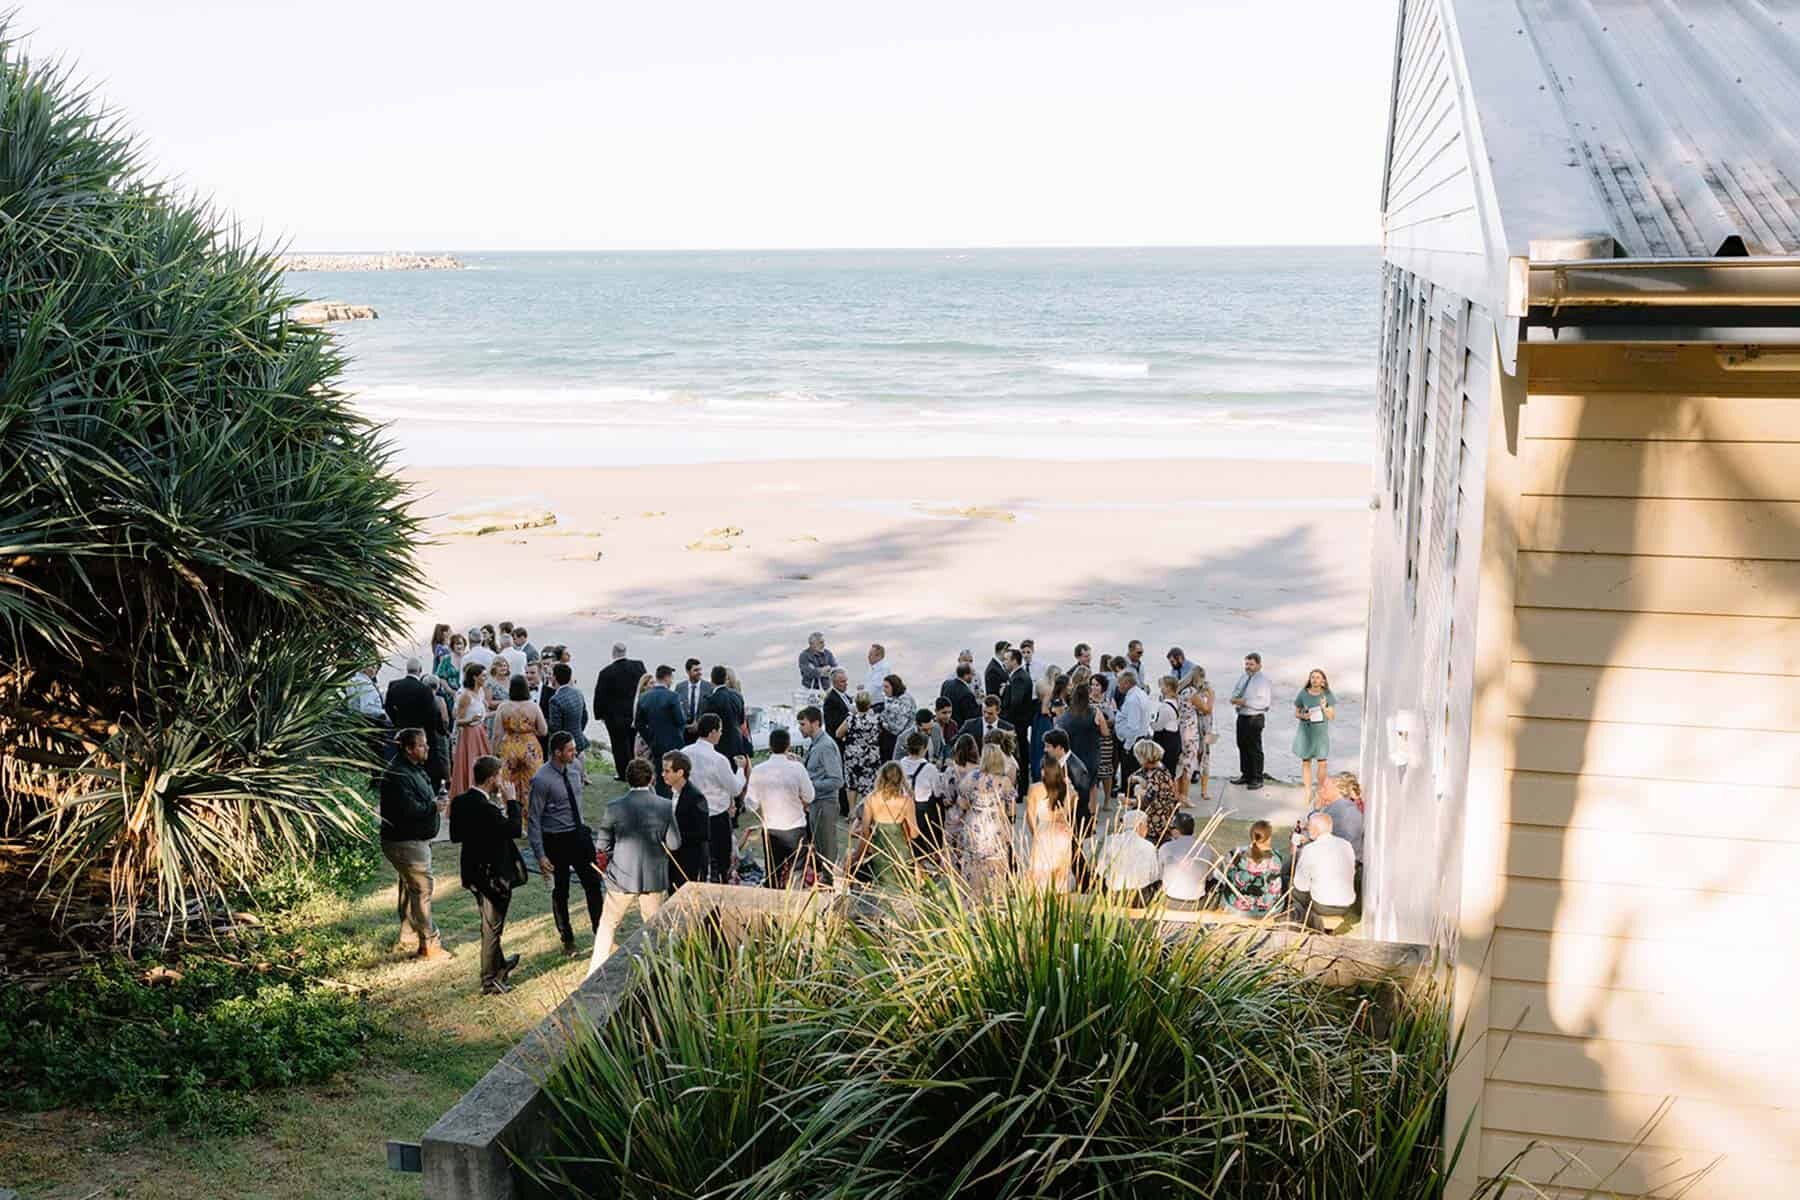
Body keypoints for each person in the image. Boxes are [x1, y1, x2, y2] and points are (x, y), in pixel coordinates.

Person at [589, 758, 682, 970]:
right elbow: (674, 844)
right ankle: (660, 967)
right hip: (653, 876)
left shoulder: (614, 807)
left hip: (620, 876)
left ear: (628, 779)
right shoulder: (666, 806)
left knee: (608, 925)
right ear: (651, 779)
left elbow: (602, 844)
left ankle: (595, 969)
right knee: (654, 926)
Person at [450, 754, 524, 993]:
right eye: (500, 776)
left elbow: (455, 836)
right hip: (492, 876)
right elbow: (514, 830)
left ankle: (500, 964)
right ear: (492, 778)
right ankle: (490, 981)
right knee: (492, 928)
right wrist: (512, 802)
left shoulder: (460, 801)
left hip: (473, 873)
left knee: (488, 922)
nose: (502, 781)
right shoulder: (486, 809)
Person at [528, 732, 605, 957]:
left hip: (579, 835)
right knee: (561, 891)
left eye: (574, 749)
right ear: (557, 752)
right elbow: (533, 818)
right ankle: (567, 939)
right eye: (570, 750)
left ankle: (600, 933)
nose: (575, 753)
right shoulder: (542, 779)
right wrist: (540, 854)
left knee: (593, 884)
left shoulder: (576, 768)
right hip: (555, 839)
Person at [379, 728, 445, 957]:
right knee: (422, 889)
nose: (426, 748)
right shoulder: (399, 774)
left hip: (412, 839)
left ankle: (408, 935)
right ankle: (430, 943)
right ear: (408, 748)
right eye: (421, 745)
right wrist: (433, 807)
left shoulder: (411, 769)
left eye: (425, 743)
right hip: (405, 841)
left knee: (410, 887)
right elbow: (407, 810)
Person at [745, 727, 814, 887]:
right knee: (797, 873)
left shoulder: (758, 770)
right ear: (788, 746)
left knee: (773, 873)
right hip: (795, 827)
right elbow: (809, 796)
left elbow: (751, 804)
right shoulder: (797, 768)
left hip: (771, 827)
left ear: (770, 746)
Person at [685, 713, 749, 883]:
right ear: (713, 732)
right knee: (720, 861)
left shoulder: (685, 753)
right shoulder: (718, 760)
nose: (721, 734)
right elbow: (735, 788)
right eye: (720, 731)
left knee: (696, 860)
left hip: (691, 815)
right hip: (715, 817)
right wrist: (741, 769)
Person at [843, 761, 919, 887]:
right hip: (900, 855)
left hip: (879, 854)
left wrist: (857, 855)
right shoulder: (907, 802)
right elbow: (915, 833)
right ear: (901, 779)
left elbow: (865, 832)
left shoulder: (871, 799)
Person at [957, 743, 1015, 900]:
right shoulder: (1005, 781)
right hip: (995, 830)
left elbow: (962, 803)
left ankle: (971, 907)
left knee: (972, 871)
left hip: (975, 826)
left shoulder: (972, 777)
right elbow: (1012, 811)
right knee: (995, 873)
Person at [385, 657, 449, 789]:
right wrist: (437, 730)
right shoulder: (424, 689)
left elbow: (388, 707)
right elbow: (432, 713)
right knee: (423, 761)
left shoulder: (394, 686)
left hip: (401, 730)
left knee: (402, 758)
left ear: (407, 670)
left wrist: (397, 721)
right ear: (420, 670)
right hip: (420, 730)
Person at [797, 706, 845, 875]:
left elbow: (837, 780)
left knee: (827, 851)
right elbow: (818, 770)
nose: (800, 728)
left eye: (803, 724)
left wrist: (809, 784)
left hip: (825, 804)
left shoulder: (824, 746)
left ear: (815, 723)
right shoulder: (817, 744)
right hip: (817, 804)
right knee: (820, 849)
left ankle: (830, 882)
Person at [1290, 810, 1356, 932]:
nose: (1308, 830)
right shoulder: (1346, 844)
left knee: (1292, 889)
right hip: (1346, 905)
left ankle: (1300, 922)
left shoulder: (1310, 849)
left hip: (1323, 905)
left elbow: (1301, 885)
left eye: (1309, 827)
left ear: (1315, 829)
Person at [494, 675, 548, 822]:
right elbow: (543, 730)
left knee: (509, 783)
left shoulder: (503, 707)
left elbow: (497, 733)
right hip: (530, 747)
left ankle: (512, 818)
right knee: (531, 785)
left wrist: (494, 751)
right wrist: (530, 730)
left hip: (510, 746)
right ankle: (531, 819)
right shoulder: (533, 706)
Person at [593, 643, 648, 781]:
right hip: (634, 713)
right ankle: (638, 772)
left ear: (613, 653)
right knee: (633, 744)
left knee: (619, 746)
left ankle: (623, 774)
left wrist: (599, 715)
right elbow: (645, 686)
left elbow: (600, 695)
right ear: (625, 652)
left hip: (614, 717)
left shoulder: (606, 672)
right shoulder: (638, 666)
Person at [1023, 759, 1074, 892]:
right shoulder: (1067, 788)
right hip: (1063, 833)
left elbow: (1030, 815)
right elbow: (1069, 812)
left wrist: (1035, 834)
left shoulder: (1035, 789)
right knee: (1060, 877)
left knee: (1039, 877)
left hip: (1044, 831)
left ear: (1043, 771)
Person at [1090, 809, 1159, 905]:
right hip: (1138, 897)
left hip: (1113, 894)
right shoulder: (1148, 846)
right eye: (1146, 826)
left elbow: (1101, 870)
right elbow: (1154, 875)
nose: (1147, 830)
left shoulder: (1110, 840)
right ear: (1140, 825)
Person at [636, 666, 687, 797]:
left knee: (660, 776)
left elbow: (639, 724)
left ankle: (661, 804)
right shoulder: (673, 697)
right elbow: (680, 720)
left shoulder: (644, 697)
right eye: (671, 678)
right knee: (676, 778)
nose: (671, 681)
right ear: (667, 677)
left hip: (656, 744)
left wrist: (650, 739)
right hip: (674, 744)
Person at [1218, 820, 1285, 919]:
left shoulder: (1236, 852)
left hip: (1236, 907)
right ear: (1269, 838)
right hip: (1267, 910)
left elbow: (1223, 872)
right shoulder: (1276, 857)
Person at [663, 750, 710, 890]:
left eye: (667, 771)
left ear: (680, 773)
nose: (663, 775)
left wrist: (673, 837)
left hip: (690, 861)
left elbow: (703, 833)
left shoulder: (696, 798)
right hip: (672, 859)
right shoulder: (667, 793)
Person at [1315, 770, 1365, 896]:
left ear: (1337, 790)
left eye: (1325, 787)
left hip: (1340, 866)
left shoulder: (1339, 810)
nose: (1320, 790)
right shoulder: (1340, 806)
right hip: (1345, 861)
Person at [896, 730, 943, 860]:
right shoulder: (929, 768)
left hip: (902, 807)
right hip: (922, 809)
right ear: (924, 748)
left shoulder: (900, 764)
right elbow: (938, 792)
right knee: (922, 847)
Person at [1292, 668, 1337, 802]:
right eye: (1313, 677)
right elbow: (1296, 713)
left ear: (1323, 680)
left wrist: (1324, 708)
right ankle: (1307, 791)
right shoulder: (1303, 693)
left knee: (1322, 763)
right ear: (1309, 679)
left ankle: (1320, 791)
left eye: (1318, 677)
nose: (1315, 679)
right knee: (1306, 762)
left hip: (1321, 733)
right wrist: (1303, 715)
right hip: (1306, 732)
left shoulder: (1327, 694)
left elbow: (1332, 716)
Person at [1157, 813, 1218, 911]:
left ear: (1176, 831)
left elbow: (1159, 875)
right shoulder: (1206, 848)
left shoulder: (1166, 847)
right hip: (1196, 904)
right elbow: (1210, 876)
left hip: (1169, 901)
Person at [1229, 651, 1272, 790]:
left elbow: (1265, 703)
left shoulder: (1263, 681)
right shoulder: (1244, 677)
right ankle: (1246, 774)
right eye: (1246, 664)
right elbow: (1237, 690)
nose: (1248, 667)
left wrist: (1245, 702)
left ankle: (1257, 778)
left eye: (1251, 664)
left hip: (1255, 717)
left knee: (1254, 748)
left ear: (1259, 665)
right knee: (1242, 745)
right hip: (1242, 715)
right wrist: (1235, 700)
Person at [1125, 738, 1180, 846]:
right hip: (1155, 814)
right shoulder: (1150, 768)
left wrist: (1129, 801)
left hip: (1157, 818)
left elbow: (1147, 801)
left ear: (1144, 757)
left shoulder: (1158, 775)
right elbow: (1130, 779)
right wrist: (1140, 780)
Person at [1041, 729, 1092, 839]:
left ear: (1059, 747)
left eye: (1048, 746)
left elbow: (1082, 799)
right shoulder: (1052, 762)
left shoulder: (1077, 769)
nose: (1045, 750)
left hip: (1073, 823)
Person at [938, 733, 981, 866]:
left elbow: (947, 796)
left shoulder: (950, 771)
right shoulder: (979, 772)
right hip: (972, 817)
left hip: (953, 817)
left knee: (951, 852)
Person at [450, 663, 492, 796]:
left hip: (480, 731)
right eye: (483, 676)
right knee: (470, 763)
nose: (486, 678)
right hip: (469, 734)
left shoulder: (480, 692)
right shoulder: (465, 696)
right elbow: (457, 720)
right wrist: (470, 721)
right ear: (475, 677)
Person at [837, 691, 883, 812]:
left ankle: (852, 812)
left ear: (856, 705)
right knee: (869, 786)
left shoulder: (851, 719)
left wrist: (847, 739)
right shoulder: (876, 719)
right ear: (869, 704)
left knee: (852, 785)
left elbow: (838, 733)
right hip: (870, 757)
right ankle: (866, 814)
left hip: (853, 756)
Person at [998, 649, 1036, 795]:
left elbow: (1016, 702)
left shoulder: (1019, 677)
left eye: (1007, 659)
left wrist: (1003, 718)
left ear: (1014, 661)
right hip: (1019, 722)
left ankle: (1021, 789)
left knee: (1018, 756)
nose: (1004, 662)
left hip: (1016, 723)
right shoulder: (1017, 676)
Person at [1111, 670, 1153, 793]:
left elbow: (1133, 727)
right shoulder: (1139, 694)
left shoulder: (1133, 700)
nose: (1118, 687)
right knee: (1132, 772)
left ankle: (1129, 796)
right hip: (1139, 739)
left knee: (1130, 772)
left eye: (1120, 683)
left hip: (1132, 742)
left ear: (1127, 683)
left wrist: (1127, 746)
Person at [1180, 666, 1214, 801]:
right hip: (1200, 728)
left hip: (1193, 728)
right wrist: (1212, 695)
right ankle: (1203, 791)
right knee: (1205, 757)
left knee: (1196, 758)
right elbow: (1208, 710)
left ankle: (1202, 790)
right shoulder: (1196, 693)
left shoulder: (1184, 691)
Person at [703, 665, 751, 761]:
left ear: (711, 680)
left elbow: (708, 726)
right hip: (737, 742)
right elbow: (741, 720)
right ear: (726, 679)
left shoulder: (712, 700)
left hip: (721, 745)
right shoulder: (737, 696)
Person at [1149, 675, 1185, 789]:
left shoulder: (1165, 706)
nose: (1161, 688)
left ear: (1168, 687)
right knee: (1171, 773)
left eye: (1162, 686)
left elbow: (1158, 727)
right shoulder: (1177, 702)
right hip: (1175, 739)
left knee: (1164, 772)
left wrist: (1149, 722)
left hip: (1166, 742)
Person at [546, 662, 590, 754]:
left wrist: (543, 721)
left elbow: (555, 728)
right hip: (580, 741)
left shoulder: (555, 699)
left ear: (554, 677)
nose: (549, 676)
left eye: (551, 674)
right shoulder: (578, 693)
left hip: (565, 746)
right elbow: (585, 717)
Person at [1090, 674, 1118, 805]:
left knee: (1106, 769)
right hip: (1092, 738)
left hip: (1106, 739)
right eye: (1092, 684)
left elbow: (1114, 719)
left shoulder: (1109, 701)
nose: (1094, 687)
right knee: (1093, 768)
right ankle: (1093, 800)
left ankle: (1107, 800)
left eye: (1097, 685)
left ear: (1103, 687)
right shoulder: (1087, 701)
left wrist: (1106, 720)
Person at [875, 674, 914, 762]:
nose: (884, 690)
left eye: (886, 687)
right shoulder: (893, 699)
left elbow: (898, 728)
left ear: (894, 687)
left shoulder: (905, 700)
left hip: (899, 741)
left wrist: (881, 720)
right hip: (892, 739)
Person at [482, 654, 513, 744]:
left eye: (505, 665)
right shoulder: (490, 683)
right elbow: (489, 703)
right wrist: (505, 702)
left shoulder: (511, 680)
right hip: (496, 716)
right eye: (500, 666)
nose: (503, 668)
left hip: (510, 715)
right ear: (494, 668)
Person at [940, 661, 981, 726]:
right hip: (960, 728)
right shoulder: (967, 693)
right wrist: (980, 704)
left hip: (946, 725)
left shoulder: (946, 683)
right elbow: (972, 717)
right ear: (966, 675)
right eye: (972, 674)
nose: (973, 676)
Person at [676, 658, 712, 727]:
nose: (699, 673)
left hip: (702, 729)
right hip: (685, 730)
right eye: (696, 670)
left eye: (700, 669)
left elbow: (710, 709)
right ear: (687, 671)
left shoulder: (708, 687)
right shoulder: (680, 687)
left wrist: (698, 723)